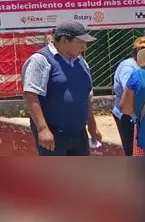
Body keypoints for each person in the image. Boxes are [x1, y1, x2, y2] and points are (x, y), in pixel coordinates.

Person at [20, 21, 102, 156]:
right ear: (64, 40)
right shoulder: (41, 60)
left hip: (79, 133)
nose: (84, 46)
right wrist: (42, 129)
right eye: (80, 42)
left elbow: (86, 97)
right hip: (53, 134)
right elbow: (31, 95)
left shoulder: (81, 62)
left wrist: (92, 127)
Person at [111, 36, 145, 156]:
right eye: (141, 50)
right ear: (136, 52)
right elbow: (131, 93)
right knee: (133, 151)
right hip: (128, 116)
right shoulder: (128, 68)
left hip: (142, 115)